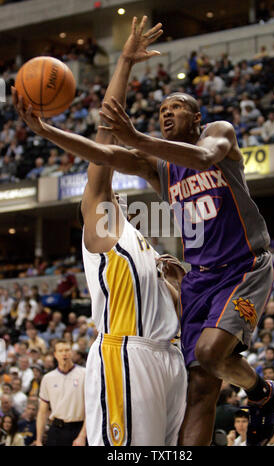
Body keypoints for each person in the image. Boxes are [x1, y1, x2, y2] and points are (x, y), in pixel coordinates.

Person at [12, 16, 274, 447]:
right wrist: (48, 132)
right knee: (203, 384)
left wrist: (138, 136)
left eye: (175, 107)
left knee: (209, 359)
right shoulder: (123, 199)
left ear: (196, 116)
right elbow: (103, 150)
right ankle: (262, 390)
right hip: (142, 342)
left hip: (242, 267)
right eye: (161, 110)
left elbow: (205, 158)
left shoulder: (217, 134)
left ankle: (260, 391)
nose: (166, 113)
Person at [13, 17, 187, 447]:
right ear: (89, 212)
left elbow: (169, 316)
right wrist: (125, 63)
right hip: (126, 355)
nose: (107, 197)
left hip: (168, 355)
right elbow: (106, 132)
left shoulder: (142, 242)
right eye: (99, 198)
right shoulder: (104, 229)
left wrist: (176, 288)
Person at [36, 339, 86, 446]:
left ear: (71, 352)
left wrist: (82, 436)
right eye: (60, 351)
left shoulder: (84, 374)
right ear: (55, 354)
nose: (64, 353)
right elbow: (42, 412)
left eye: (67, 350)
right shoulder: (48, 378)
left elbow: (91, 409)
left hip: (78, 429)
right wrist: (39, 440)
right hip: (56, 429)